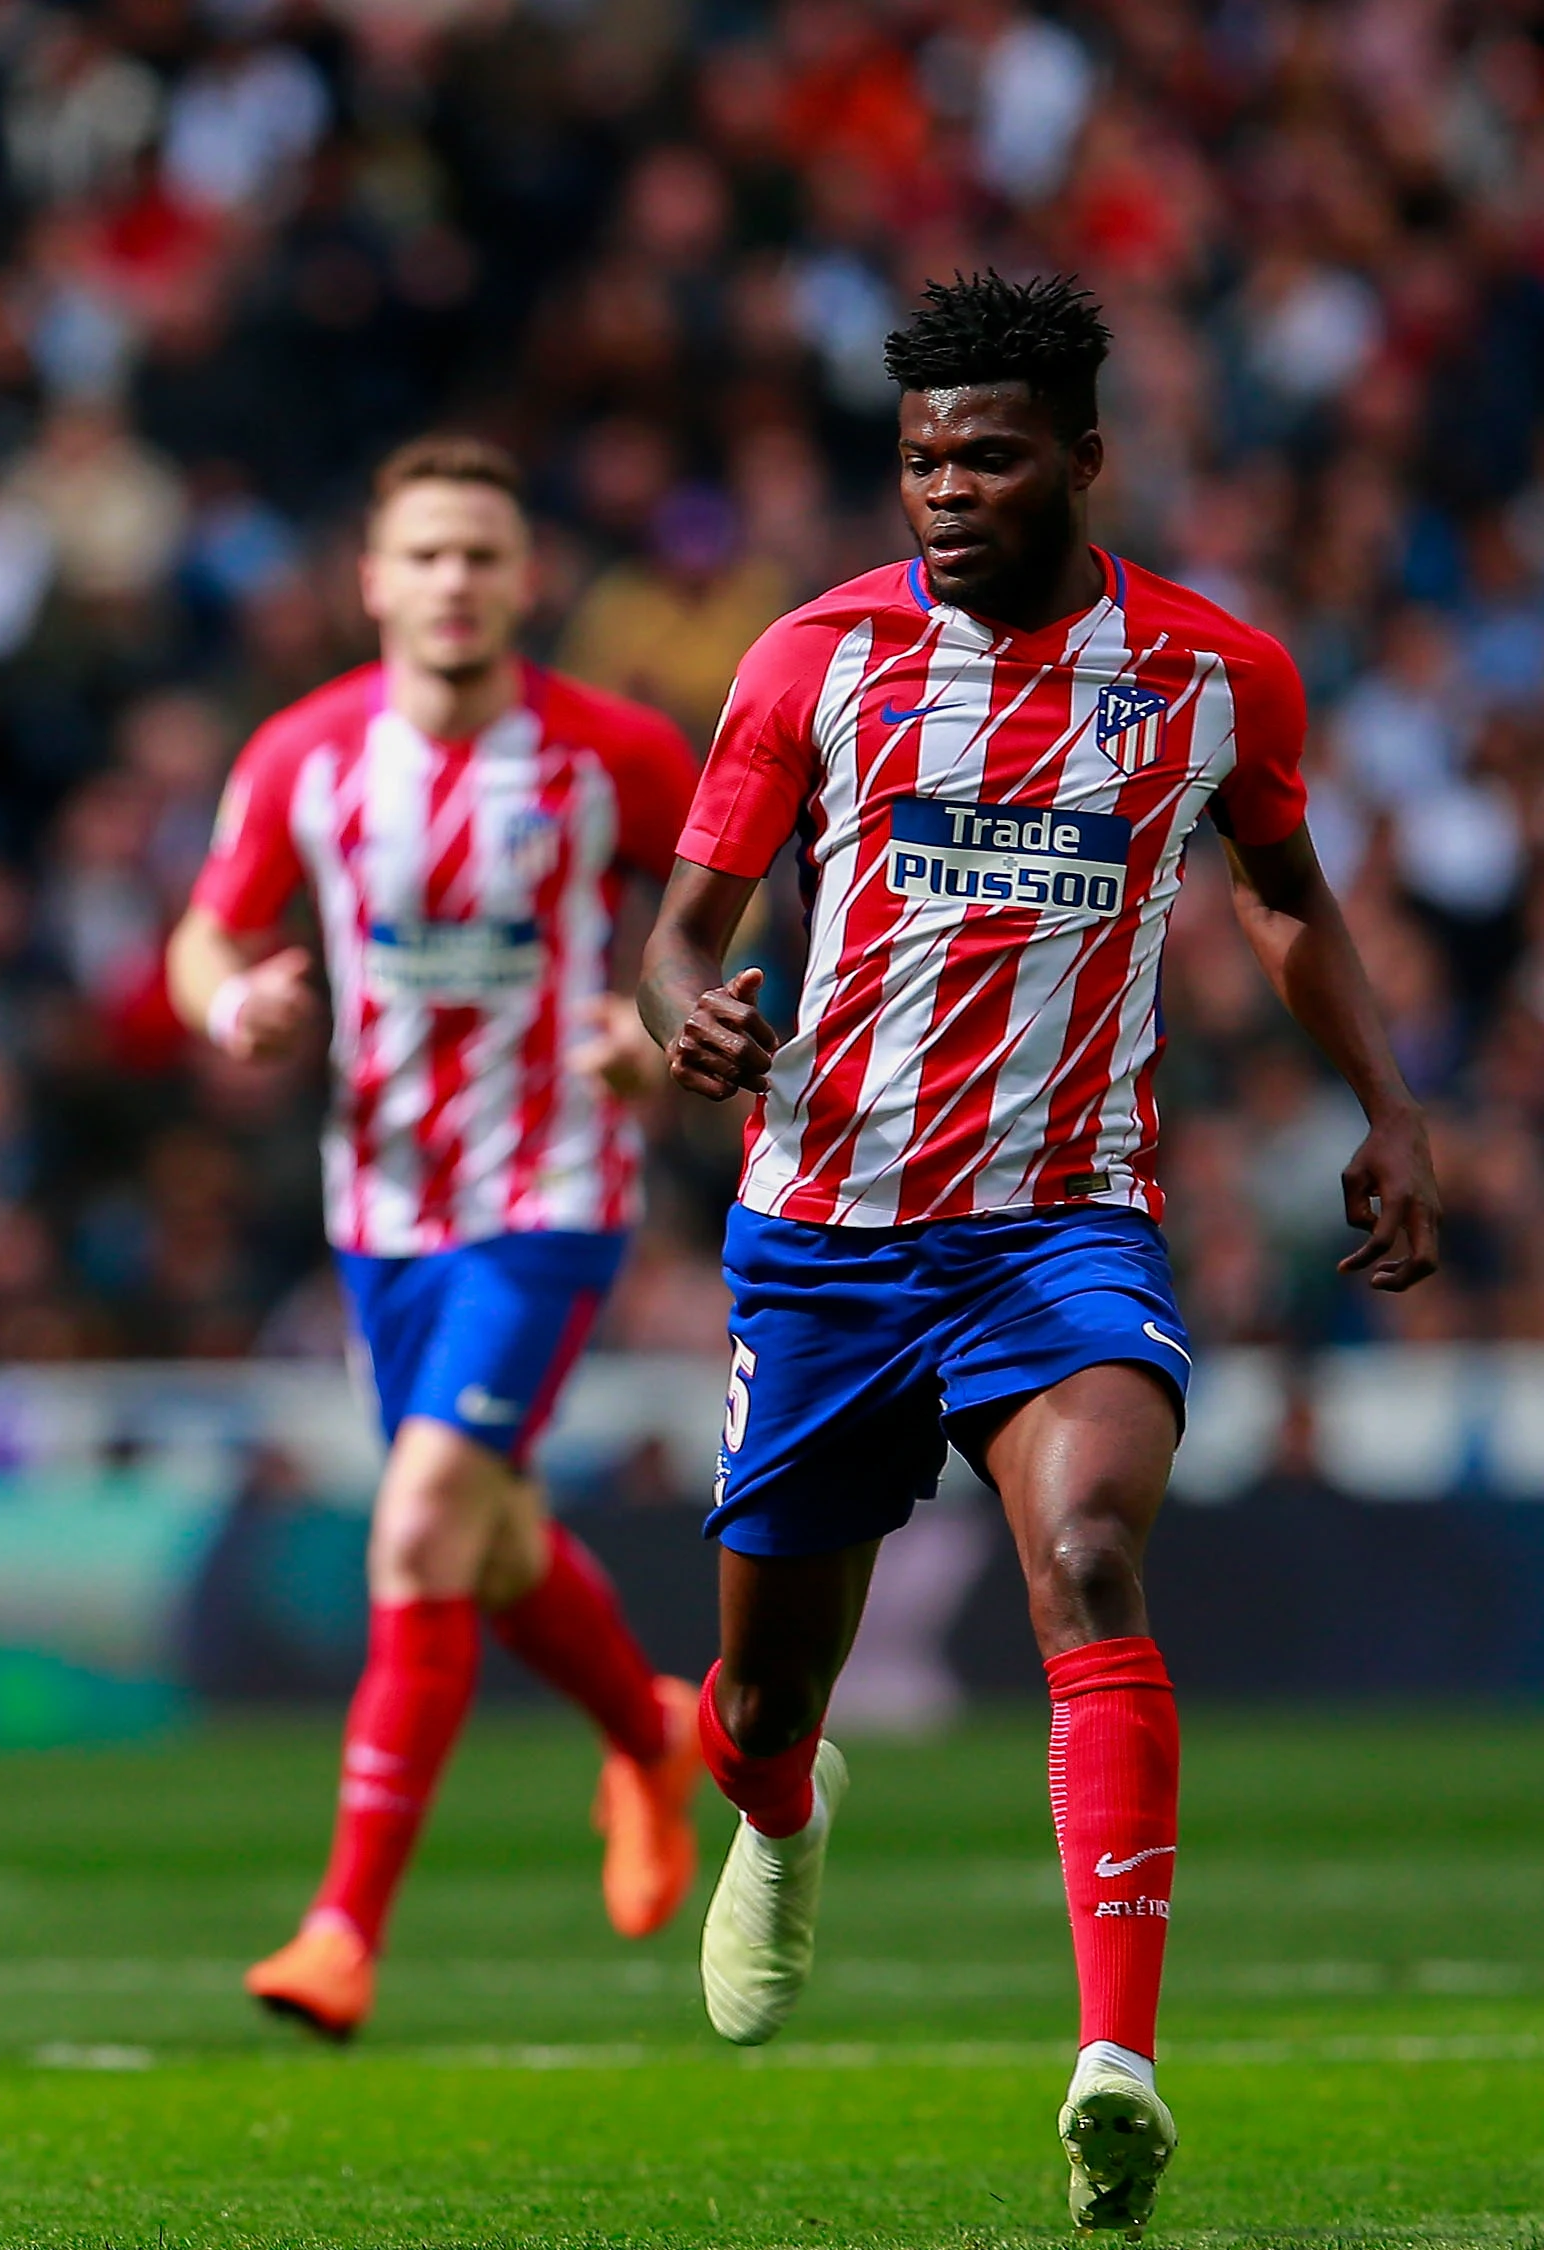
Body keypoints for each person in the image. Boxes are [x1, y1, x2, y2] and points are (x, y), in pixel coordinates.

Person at [640, 271, 1441, 2236]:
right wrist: (690, 1007)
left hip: (1059, 1226)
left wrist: (1387, 1108)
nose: (941, 489)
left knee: (1087, 1563)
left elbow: (1280, 895)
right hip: (822, 1240)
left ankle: (1112, 2066)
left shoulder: (1206, 675)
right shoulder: (809, 661)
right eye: (918, 457)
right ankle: (779, 1809)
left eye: (984, 456)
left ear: (1081, 460)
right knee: (754, 1709)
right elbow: (684, 922)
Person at [167, 435, 709, 2043]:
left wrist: (655, 1029)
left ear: (526, 577)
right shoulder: (307, 757)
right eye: (428, 554)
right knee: (488, 1530)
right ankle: (648, 1731)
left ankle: (343, 1927)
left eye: (484, 552)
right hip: (382, 1210)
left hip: (548, 1194)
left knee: (416, 1528)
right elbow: (210, 933)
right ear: (375, 581)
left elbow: (717, 914)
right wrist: (234, 1005)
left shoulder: (611, 753)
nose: (456, 581)